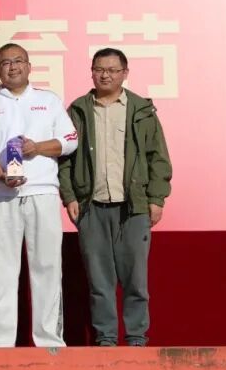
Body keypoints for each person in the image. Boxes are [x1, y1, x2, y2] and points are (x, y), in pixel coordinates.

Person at [59, 48, 172, 347]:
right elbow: (66, 159)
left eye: (112, 70)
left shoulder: (141, 110)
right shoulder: (78, 110)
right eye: (99, 69)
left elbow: (158, 158)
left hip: (133, 208)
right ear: (92, 72)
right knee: (99, 282)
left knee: (136, 280)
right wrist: (69, 196)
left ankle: (136, 338)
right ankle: (106, 339)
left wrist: (156, 198)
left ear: (125, 73)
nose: (105, 75)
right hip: (91, 207)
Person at [0, 43, 79, 348]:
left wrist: (37, 147)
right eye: (6, 63)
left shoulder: (48, 100)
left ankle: (49, 340)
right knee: (1, 270)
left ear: (29, 66)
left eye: (18, 61)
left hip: (42, 192)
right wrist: (1, 174)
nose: (13, 67)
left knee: (47, 267)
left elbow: (70, 140)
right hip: (1, 196)